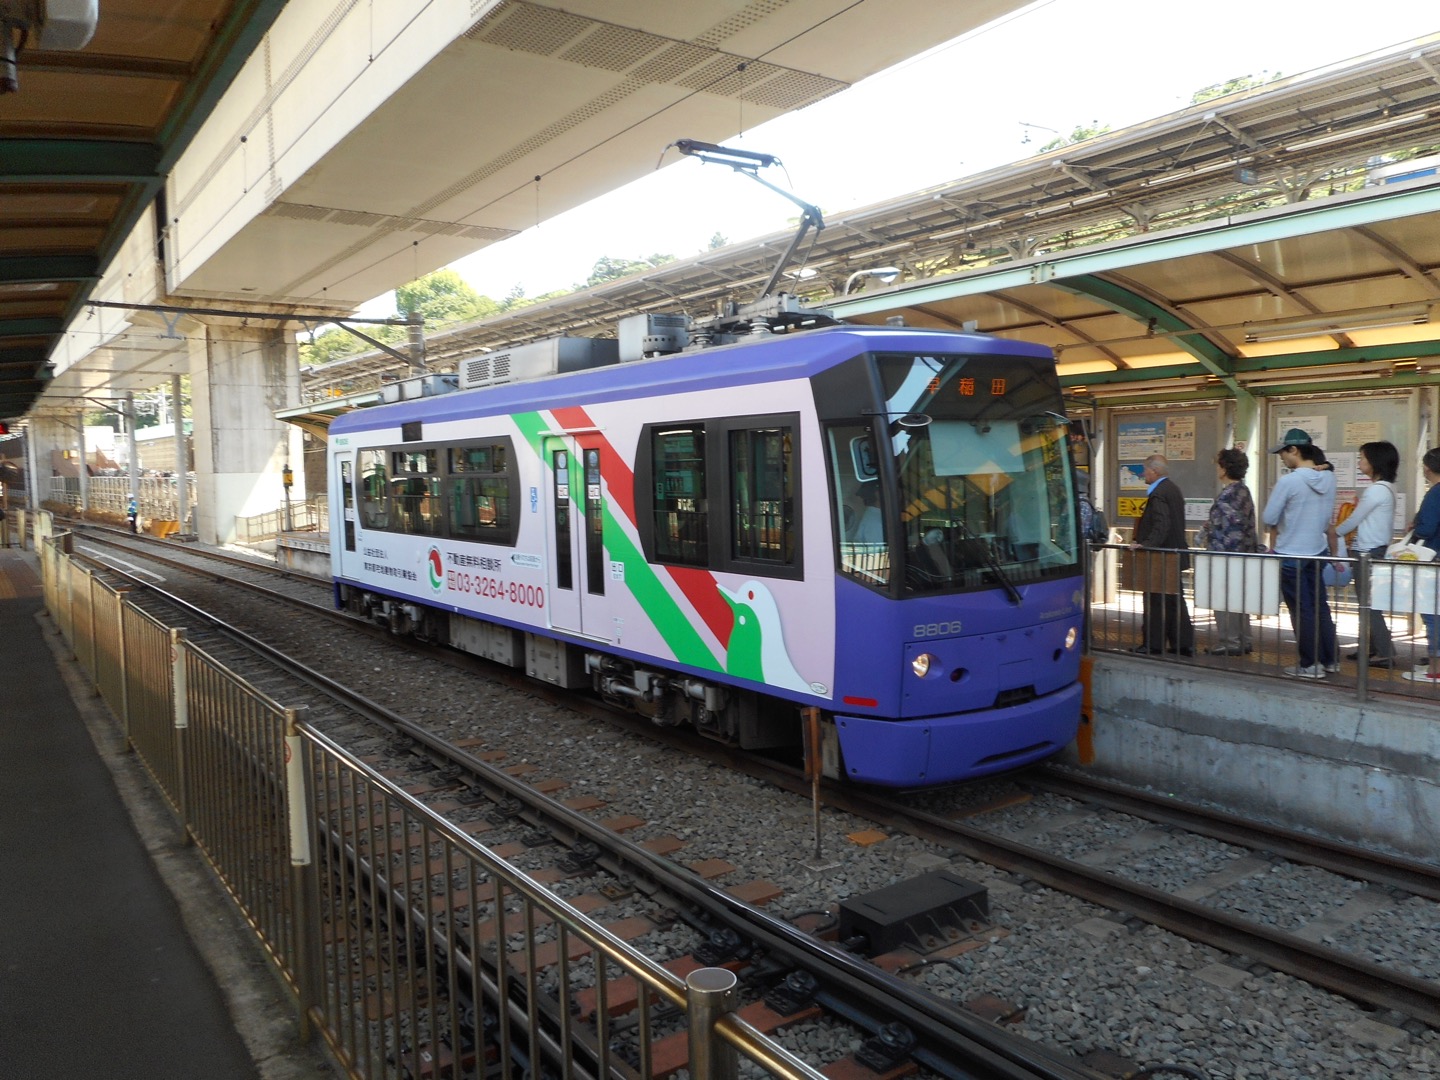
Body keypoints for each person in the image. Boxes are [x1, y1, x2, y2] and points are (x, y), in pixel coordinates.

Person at [1262, 428, 1338, 678]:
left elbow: (1269, 517)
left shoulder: (1289, 481)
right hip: (1318, 552)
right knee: (1320, 606)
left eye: (1283, 452)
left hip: (1291, 554)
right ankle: (1330, 660)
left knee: (1301, 610)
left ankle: (1309, 664)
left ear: (1294, 450)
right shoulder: (1328, 478)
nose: (1282, 457)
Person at [1335, 440, 1399, 667]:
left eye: (1362, 457)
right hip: (1375, 550)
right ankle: (1372, 648)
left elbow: (1353, 520)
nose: (1359, 462)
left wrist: (1334, 533)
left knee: (1369, 604)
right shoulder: (1388, 489)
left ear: (1375, 462)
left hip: (1368, 552)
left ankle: (1384, 652)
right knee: (1370, 603)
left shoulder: (1376, 491)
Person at [1128, 454, 1193, 654]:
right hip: (1173, 555)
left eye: (1145, 470)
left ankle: (1153, 644)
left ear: (1154, 471)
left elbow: (1161, 525)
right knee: (1174, 601)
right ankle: (1182, 644)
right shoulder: (1173, 489)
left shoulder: (1158, 493)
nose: (1143, 474)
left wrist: (1145, 544)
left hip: (1160, 558)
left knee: (1154, 600)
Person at [1197, 448, 1258, 655]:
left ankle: (1229, 641)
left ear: (1225, 468)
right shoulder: (1243, 491)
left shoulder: (1229, 494)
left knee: (1223, 598)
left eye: (1219, 464)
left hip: (1225, 553)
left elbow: (1231, 524)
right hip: (1242, 553)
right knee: (1240, 599)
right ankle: (1244, 639)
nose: (1217, 468)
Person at [1405, 447, 1440, 683]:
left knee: (1433, 614)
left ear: (1427, 469)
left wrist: (1415, 527)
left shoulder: (1435, 493)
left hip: (1433, 558)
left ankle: (1435, 669)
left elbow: (1427, 528)